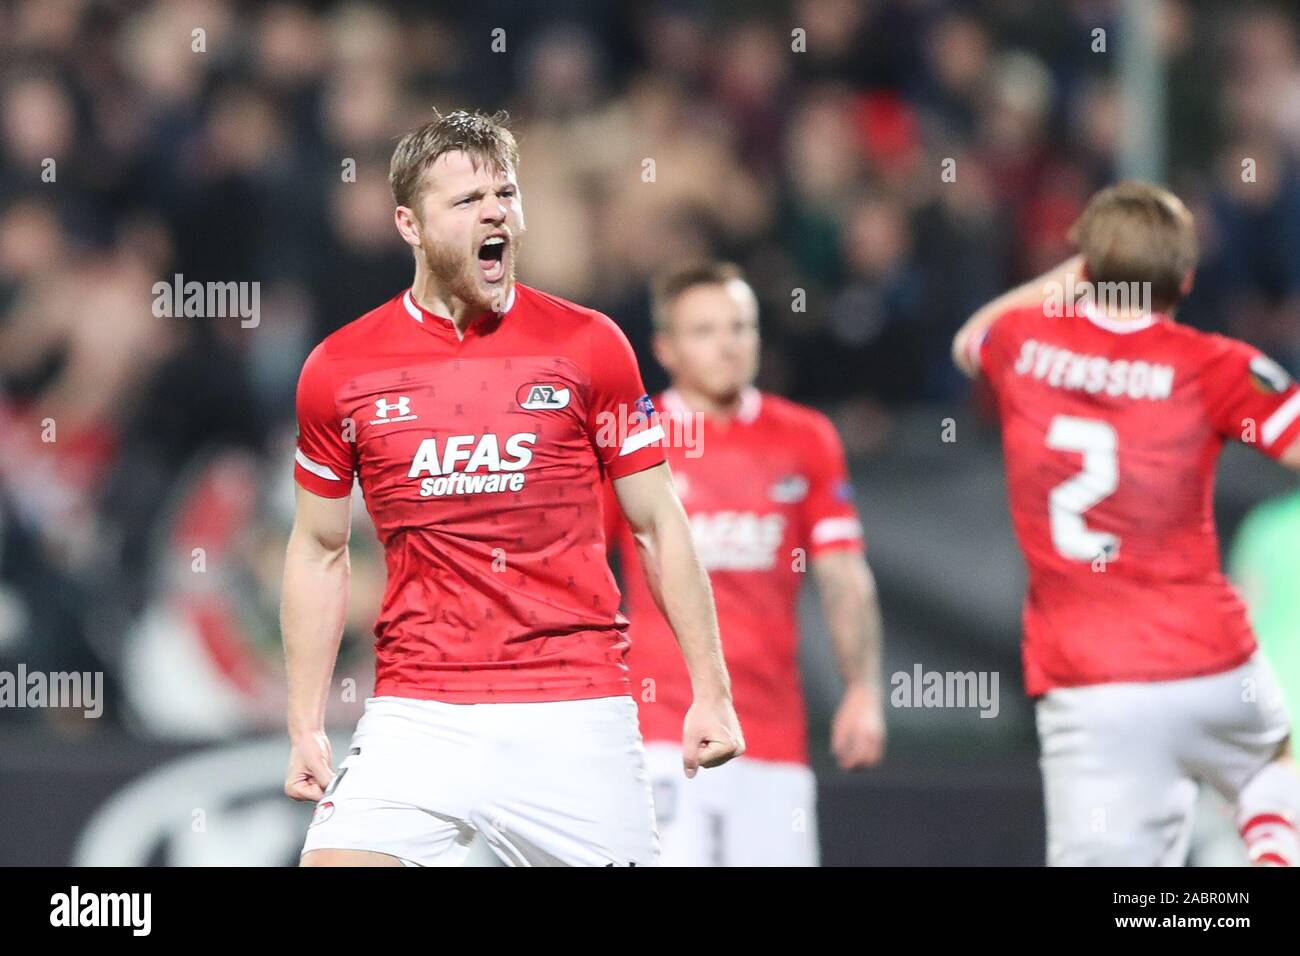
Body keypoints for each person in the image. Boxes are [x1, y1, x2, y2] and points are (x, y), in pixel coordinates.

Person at [281, 109, 743, 867]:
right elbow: (319, 548)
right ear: (410, 225)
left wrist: (711, 690)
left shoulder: (590, 346)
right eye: (466, 201)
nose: (495, 211)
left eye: (506, 193)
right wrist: (304, 721)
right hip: (417, 713)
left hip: (573, 713)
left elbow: (659, 523)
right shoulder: (340, 370)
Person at [952, 180, 1300, 866]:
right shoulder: (1215, 364)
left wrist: (1080, 273)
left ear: (1085, 266)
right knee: (1270, 765)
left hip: (1086, 675)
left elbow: (969, 341)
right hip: (1210, 659)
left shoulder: (1024, 345)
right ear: (1188, 278)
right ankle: (1269, 846)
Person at [606, 262, 886, 866]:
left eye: (740, 327)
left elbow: (843, 573)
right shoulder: (633, 438)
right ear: (666, 348)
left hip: (773, 734)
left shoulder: (804, 438)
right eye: (705, 330)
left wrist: (861, 687)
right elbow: (578, 569)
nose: (728, 344)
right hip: (660, 731)